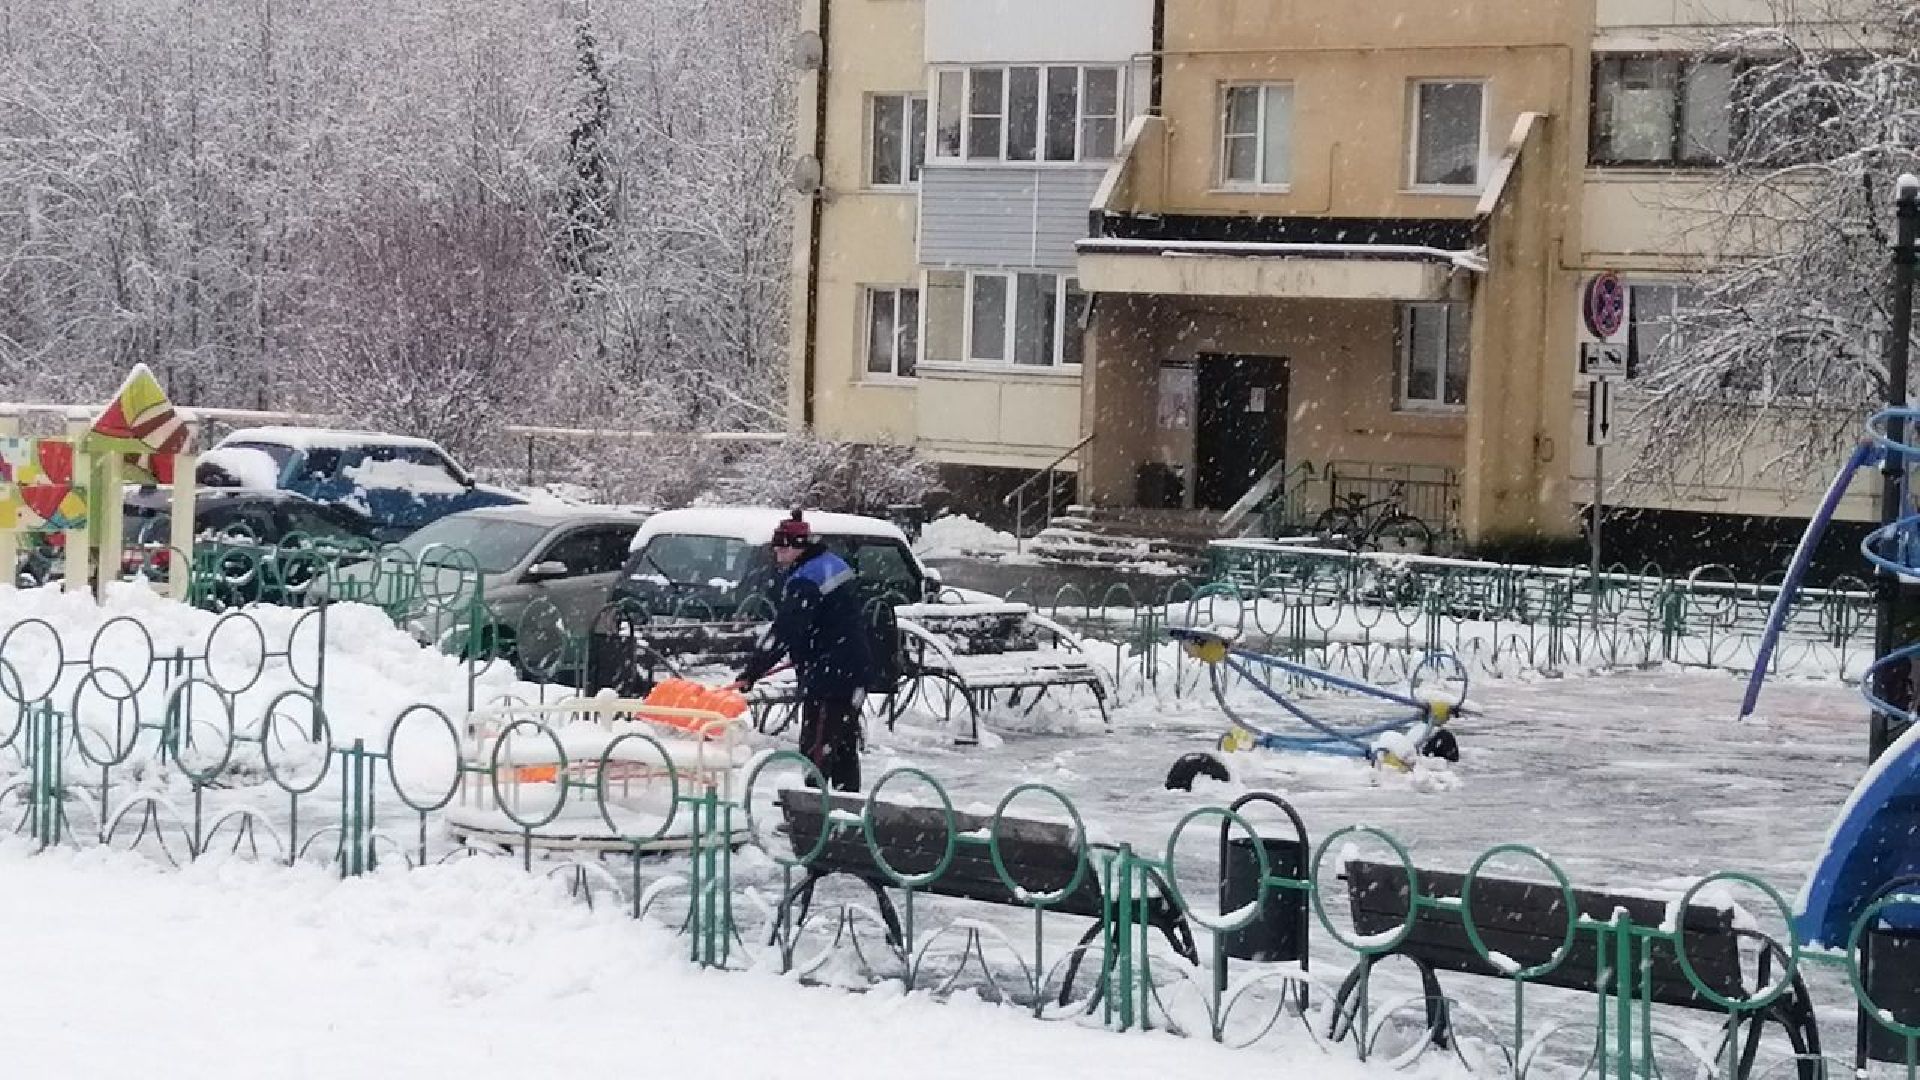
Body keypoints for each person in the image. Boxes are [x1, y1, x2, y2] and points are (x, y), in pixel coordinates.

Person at [733, 510, 875, 791]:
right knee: (843, 744)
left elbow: (786, 629)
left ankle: (812, 813)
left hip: (829, 675)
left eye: (781, 546)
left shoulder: (805, 580)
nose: (776, 552)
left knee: (817, 746)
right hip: (852, 668)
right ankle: (846, 811)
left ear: (797, 547)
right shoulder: (832, 563)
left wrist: (751, 672)